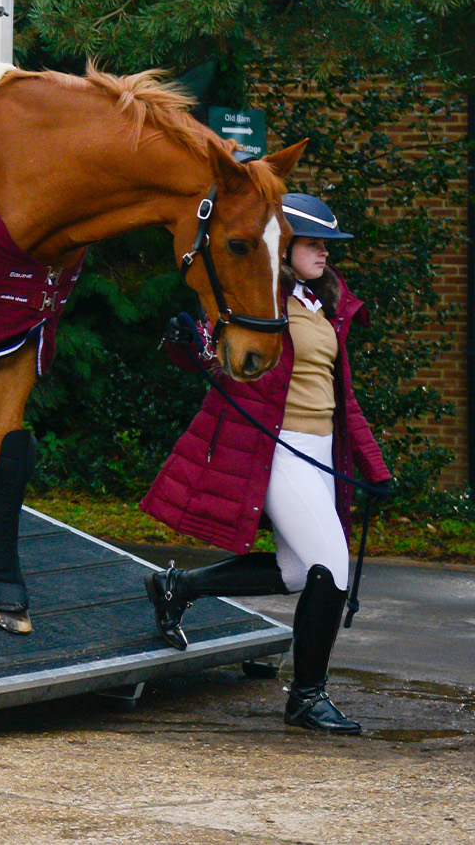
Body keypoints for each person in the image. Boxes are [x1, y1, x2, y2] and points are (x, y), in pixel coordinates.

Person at [141, 192, 391, 733]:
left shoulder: (325, 302)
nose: (325, 253)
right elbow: (209, 357)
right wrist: (182, 345)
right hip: (276, 449)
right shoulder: (258, 296)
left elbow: (341, 398)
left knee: (298, 571)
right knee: (331, 563)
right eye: (314, 244)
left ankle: (178, 587)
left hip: (322, 452)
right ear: (285, 248)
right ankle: (306, 697)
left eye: (328, 245)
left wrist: (376, 470)